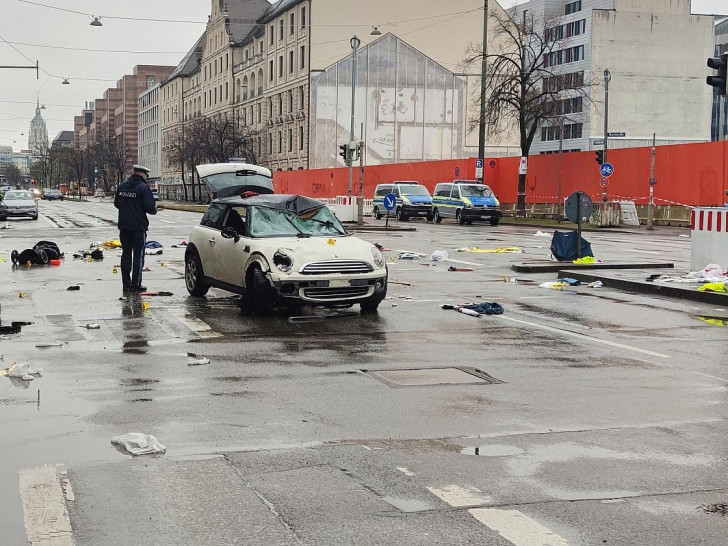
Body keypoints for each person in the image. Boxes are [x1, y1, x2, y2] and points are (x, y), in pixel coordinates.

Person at [114, 165, 157, 292]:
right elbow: (150, 208)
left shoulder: (122, 186)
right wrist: (154, 209)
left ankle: (126, 285)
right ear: (143, 174)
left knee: (126, 254)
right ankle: (136, 285)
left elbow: (117, 203)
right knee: (138, 256)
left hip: (124, 226)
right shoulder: (143, 188)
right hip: (138, 227)